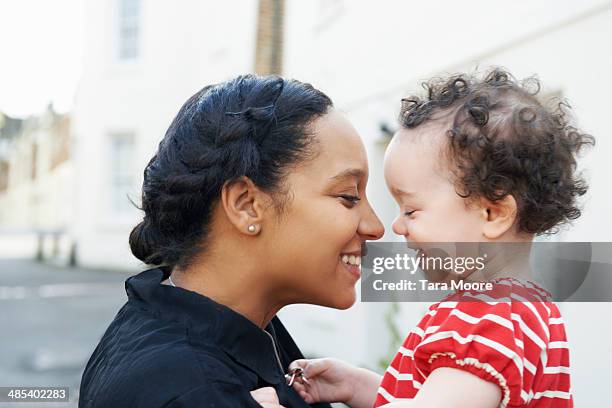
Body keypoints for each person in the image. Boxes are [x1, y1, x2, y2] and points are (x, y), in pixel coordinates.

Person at [285, 69, 594, 408]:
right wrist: (354, 384)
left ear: (492, 213)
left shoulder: (489, 321)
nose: (397, 227)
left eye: (411, 210)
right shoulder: (520, 310)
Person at [78, 74, 384, 408]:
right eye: (348, 196)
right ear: (246, 205)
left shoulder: (241, 326)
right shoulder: (189, 389)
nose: (376, 227)